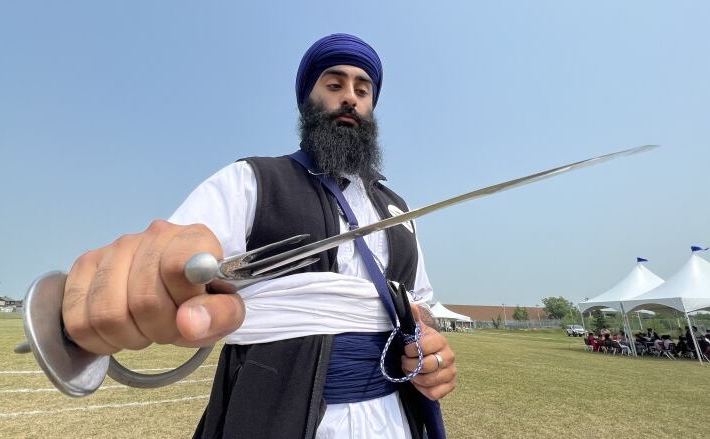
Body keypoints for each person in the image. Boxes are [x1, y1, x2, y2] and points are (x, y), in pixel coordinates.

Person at [59, 33, 456, 439]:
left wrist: (428, 345)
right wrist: (145, 274)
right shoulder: (252, 181)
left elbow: (418, 305)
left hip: (394, 419)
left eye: (362, 89)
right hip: (272, 413)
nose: (350, 98)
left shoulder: (397, 209)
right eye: (334, 85)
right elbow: (176, 254)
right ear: (308, 100)